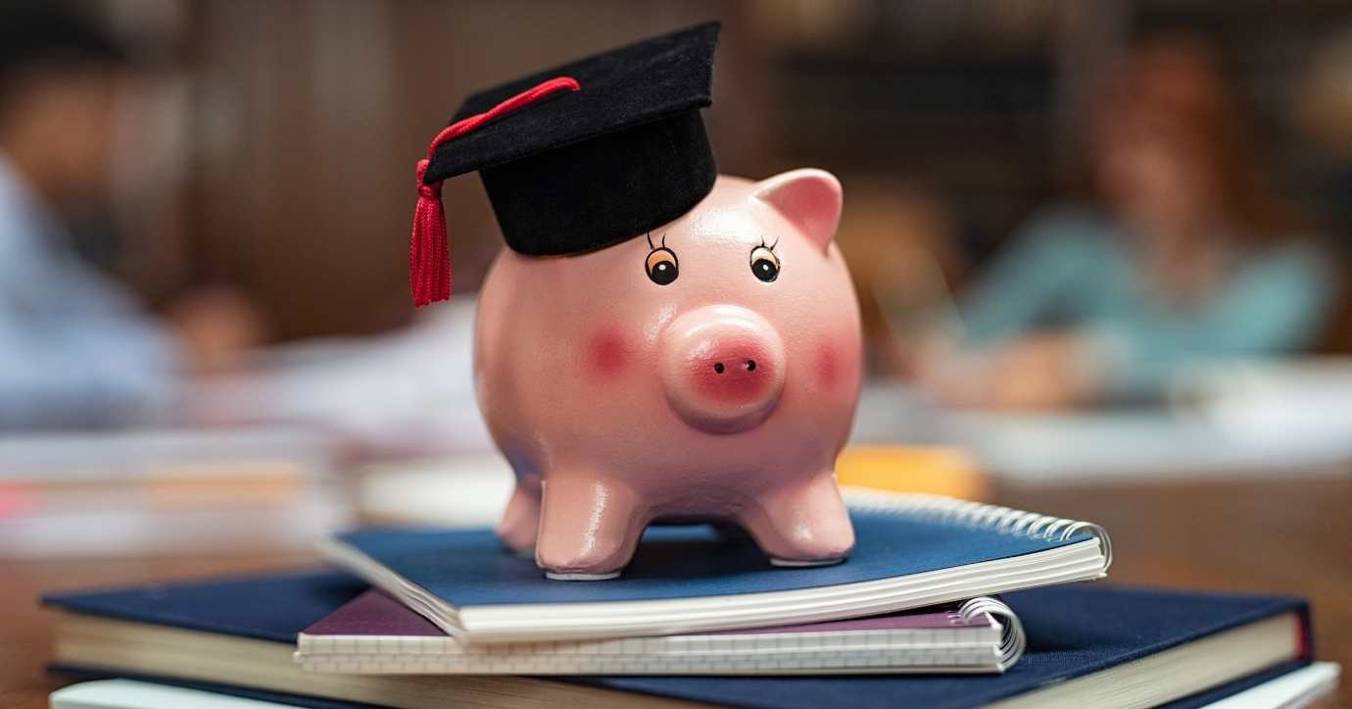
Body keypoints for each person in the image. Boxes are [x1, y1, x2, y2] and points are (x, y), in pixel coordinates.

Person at [921, 38, 1338, 410]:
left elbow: (1227, 356)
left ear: (1217, 154)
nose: (1128, 169)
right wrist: (968, 366)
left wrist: (1088, 363)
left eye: (1158, 146)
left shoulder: (1291, 272)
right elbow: (965, 340)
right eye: (1115, 147)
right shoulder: (1070, 245)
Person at [0, 5, 262, 429]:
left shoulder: (29, 218)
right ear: (53, 109)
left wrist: (170, 341)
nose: (121, 144)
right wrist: (171, 355)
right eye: (109, 115)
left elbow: (77, 315)